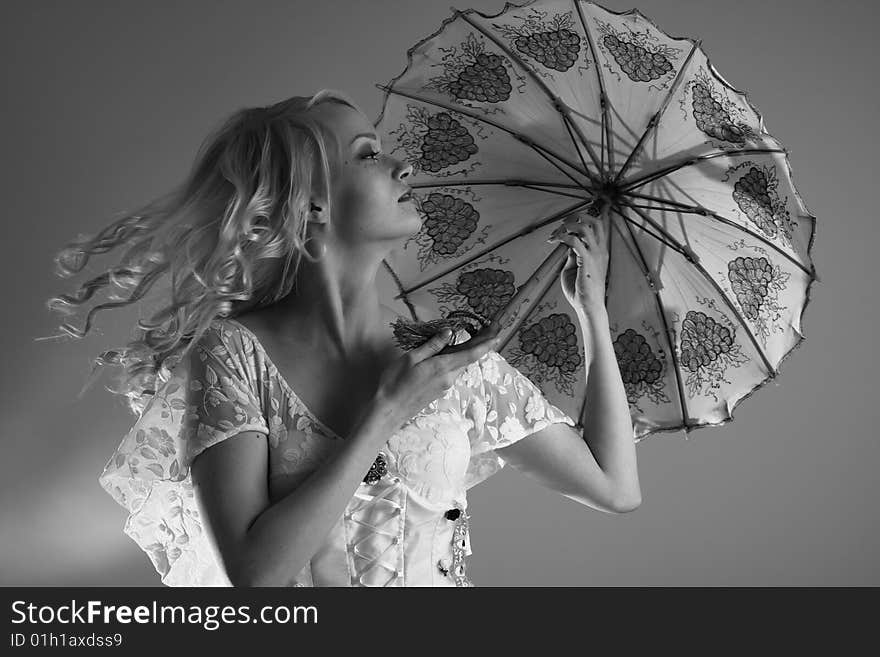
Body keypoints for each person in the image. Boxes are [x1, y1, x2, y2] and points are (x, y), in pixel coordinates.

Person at [49, 89, 641, 587]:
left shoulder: (449, 360)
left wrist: (591, 311)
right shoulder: (233, 354)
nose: (403, 166)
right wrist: (387, 412)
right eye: (369, 156)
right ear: (310, 204)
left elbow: (615, 488)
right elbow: (255, 576)